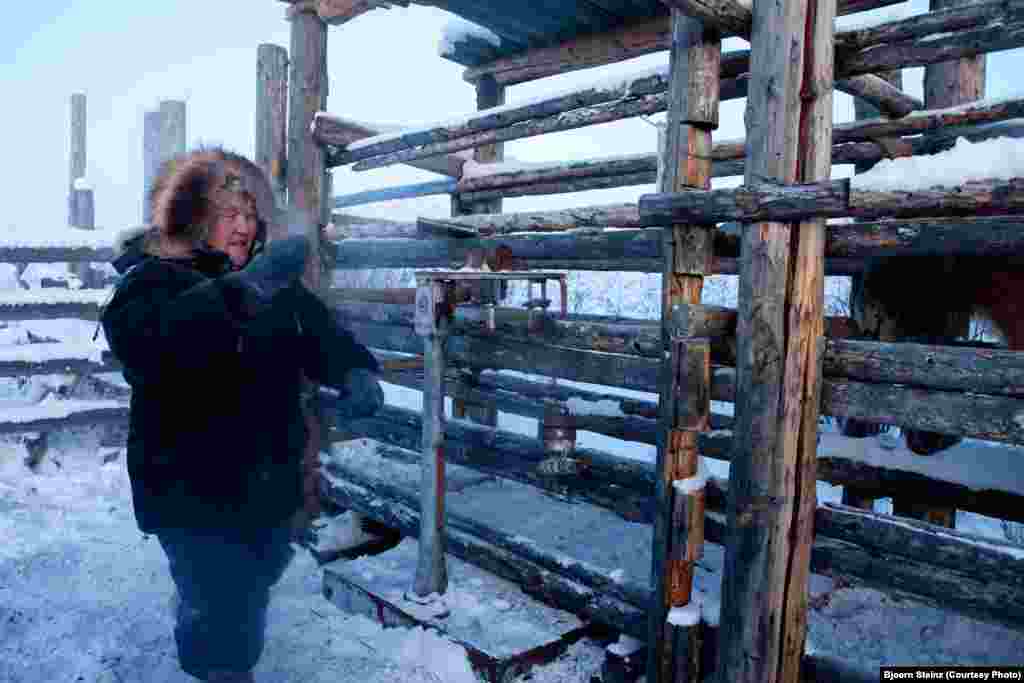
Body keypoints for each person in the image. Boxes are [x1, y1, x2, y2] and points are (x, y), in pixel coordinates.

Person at [101, 147, 384, 682]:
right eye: (228, 213)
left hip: (267, 482)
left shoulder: (268, 282)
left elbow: (319, 333)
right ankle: (215, 659)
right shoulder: (152, 281)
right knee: (223, 608)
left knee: (256, 579)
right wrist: (243, 292)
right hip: (191, 488)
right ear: (195, 220)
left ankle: (207, 621)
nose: (242, 225)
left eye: (250, 214)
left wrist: (352, 370)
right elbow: (152, 344)